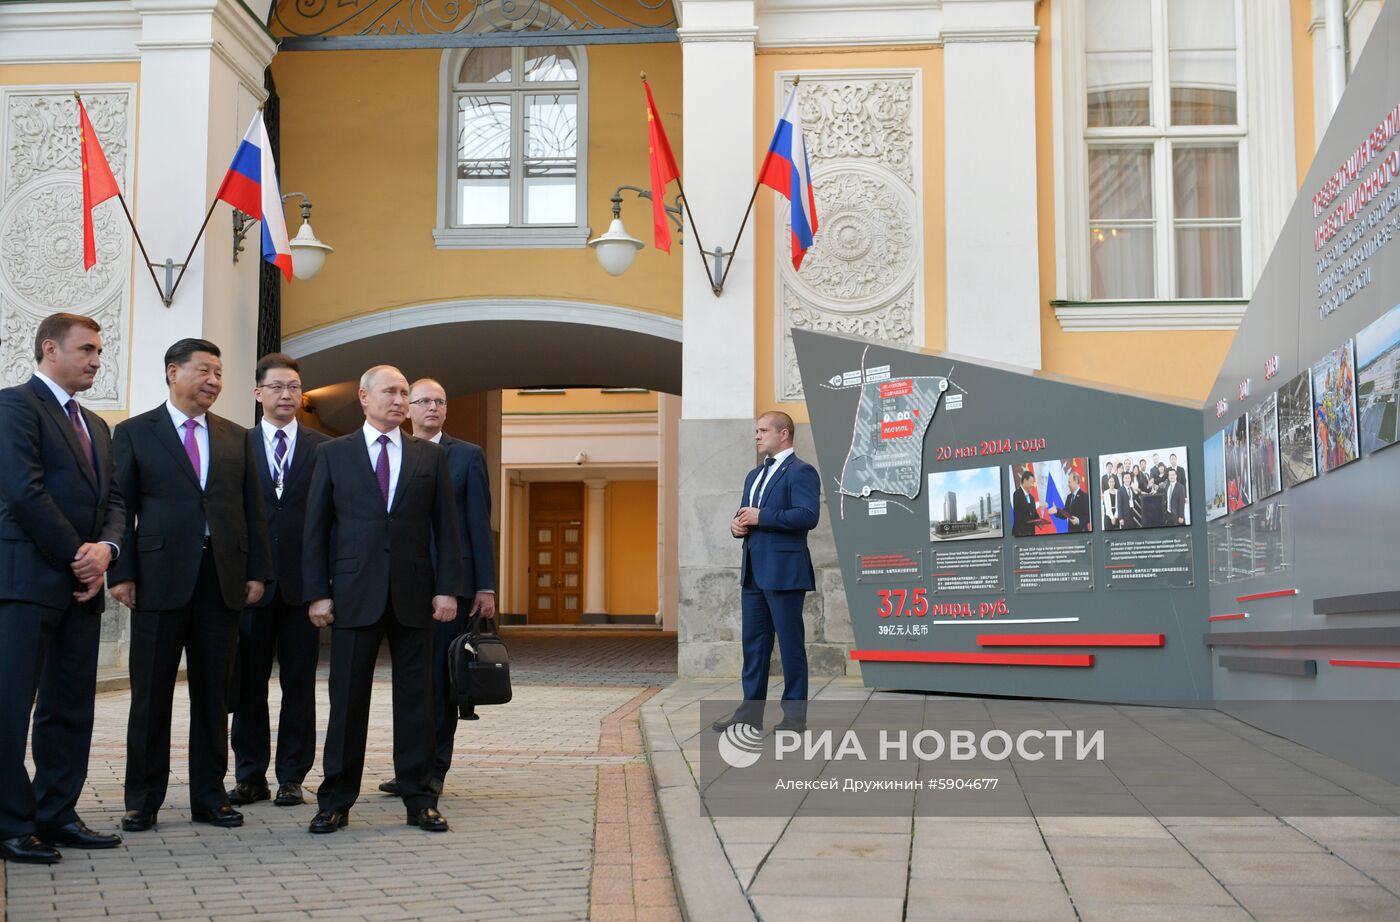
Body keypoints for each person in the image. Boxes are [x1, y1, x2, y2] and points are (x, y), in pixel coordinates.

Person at [110, 338, 270, 832]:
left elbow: (253, 511)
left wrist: (256, 572)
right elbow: (119, 506)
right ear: (172, 372)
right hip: (157, 581)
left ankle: (209, 796)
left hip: (220, 581)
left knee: (213, 696)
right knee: (151, 696)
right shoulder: (136, 432)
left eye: (219, 373)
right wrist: (123, 572)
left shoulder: (237, 436)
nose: (214, 381)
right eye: (204, 371)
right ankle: (142, 798)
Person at [302, 365, 462, 834]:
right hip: (353, 594)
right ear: (363, 397)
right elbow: (316, 529)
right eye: (390, 392)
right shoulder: (333, 454)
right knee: (347, 701)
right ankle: (334, 801)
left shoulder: (428, 458)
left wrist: (447, 588)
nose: (399, 400)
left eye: (404, 392)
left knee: (418, 701)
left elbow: (446, 530)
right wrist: (317, 594)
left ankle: (419, 800)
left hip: (415, 594)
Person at [0, 313, 125, 865]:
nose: (98, 360)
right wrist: (80, 556)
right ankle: (10, 822)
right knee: (10, 707)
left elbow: (115, 503)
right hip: (26, 584)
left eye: (100, 351)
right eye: (89, 350)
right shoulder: (14, 407)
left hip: (82, 587)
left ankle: (57, 813)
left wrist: (107, 552)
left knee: (69, 708)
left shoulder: (97, 426)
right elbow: (24, 493)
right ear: (51, 349)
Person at [378, 377, 496, 799]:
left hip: (453, 585)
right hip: (403, 582)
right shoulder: (391, 453)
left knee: (442, 680)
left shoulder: (466, 456)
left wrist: (485, 585)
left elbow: (477, 525)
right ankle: (407, 769)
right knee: (410, 681)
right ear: (408, 407)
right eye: (424, 400)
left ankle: (434, 770)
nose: (432, 408)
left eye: (440, 402)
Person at [228, 354, 329, 810]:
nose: (286, 395)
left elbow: (332, 520)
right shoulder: (235, 445)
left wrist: (325, 587)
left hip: (303, 590)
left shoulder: (324, 448)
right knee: (248, 685)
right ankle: (250, 776)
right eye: (276, 387)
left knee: (299, 685)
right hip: (251, 587)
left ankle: (292, 776)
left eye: (293, 387)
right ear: (258, 394)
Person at [711, 412, 819, 733]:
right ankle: (749, 716)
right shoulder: (753, 475)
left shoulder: (802, 471)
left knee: (790, 646)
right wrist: (737, 525)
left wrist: (763, 516)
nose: (757, 436)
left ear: (784, 434)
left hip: (785, 572)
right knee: (754, 647)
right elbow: (747, 514)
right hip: (754, 573)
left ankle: (794, 718)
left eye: (763, 430)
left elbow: (806, 515)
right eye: (756, 431)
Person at [1010, 469, 1044, 537]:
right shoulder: (1017, 494)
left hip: (1031, 534)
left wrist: (1039, 522)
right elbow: (1024, 507)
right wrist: (1038, 504)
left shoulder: (1031, 497)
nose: (1032, 485)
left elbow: (1033, 513)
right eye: (1031, 482)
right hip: (1020, 534)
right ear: (1025, 480)